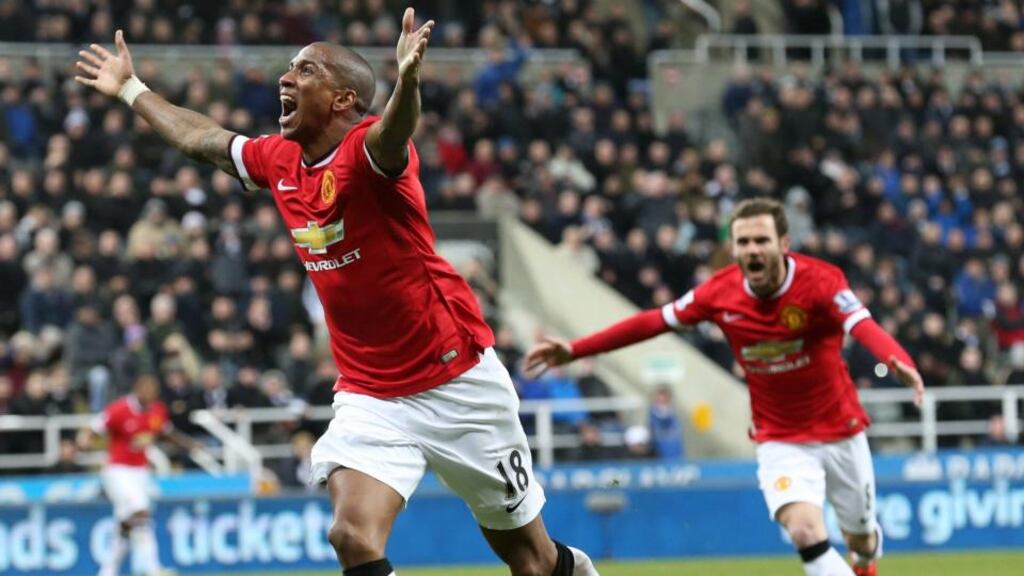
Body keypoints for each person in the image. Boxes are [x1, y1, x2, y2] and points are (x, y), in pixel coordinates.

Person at [75, 9, 598, 576]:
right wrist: (130, 88)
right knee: (351, 536)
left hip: (457, 379)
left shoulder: (366, 155)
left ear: (343, 99)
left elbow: (394, 132)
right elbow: (201, 139)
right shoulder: (279, 160)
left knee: (534, 562)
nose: (286, 78)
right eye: (289, 68)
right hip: (371, 392)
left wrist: (408, 83)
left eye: (304, 70)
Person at [525, 198, 926, 576]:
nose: (753, 249)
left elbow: (862, 325)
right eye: (744, 241)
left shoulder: (820, 281)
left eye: (762, 240)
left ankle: (865, 559)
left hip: (841, 429)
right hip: (780, 438)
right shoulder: (720, 293)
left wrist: (899, 360)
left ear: (783, 244)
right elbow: (652, 322)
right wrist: (576, 350)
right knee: (804, 530)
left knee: (861, 538)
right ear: (734, 248)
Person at [77, 373, 201, 576]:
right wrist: (84, 441)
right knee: (141, 511)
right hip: (118, 471)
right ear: (137, 389)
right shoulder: (119, 409)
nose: (151, 394)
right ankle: (153, 569)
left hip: (141, 472)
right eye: (147, 389)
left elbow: (166, 433)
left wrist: (190, 444)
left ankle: (108, 571)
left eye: (154, 390)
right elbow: (94, 427)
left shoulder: (157, 410)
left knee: (129, 522)